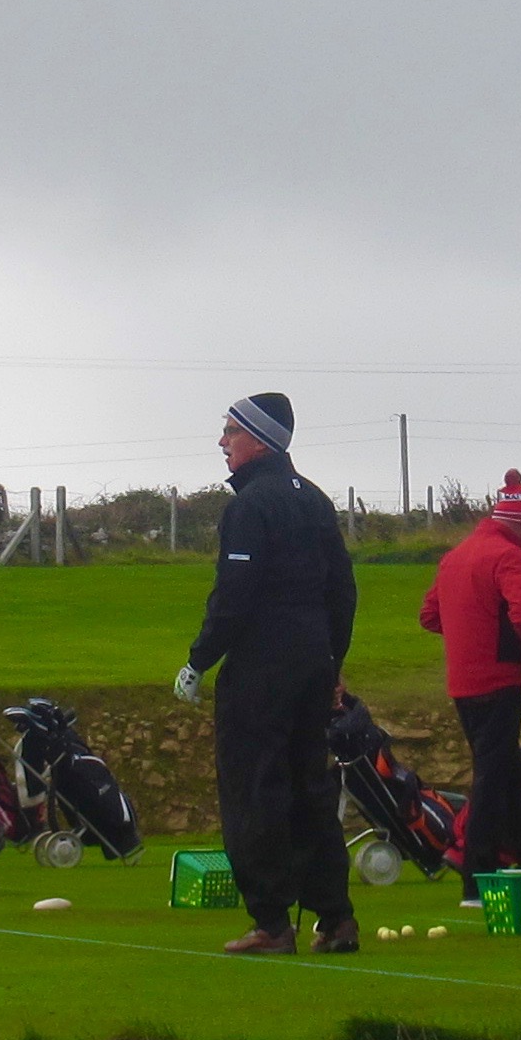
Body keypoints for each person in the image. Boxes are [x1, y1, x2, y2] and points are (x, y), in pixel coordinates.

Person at [175, 392, 360, 954]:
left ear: (259, 440)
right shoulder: (317, 500)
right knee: (311, 789)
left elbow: (235, 594)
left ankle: (273, 924)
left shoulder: (252, 505)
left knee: (254, 792)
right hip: (312, 662)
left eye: (231, 431)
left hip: (261, 668)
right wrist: (333, 663)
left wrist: (199, 660)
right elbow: (343, 592)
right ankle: (335, 918)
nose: (223, 442)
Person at [418, 470, 521, 905]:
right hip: (499, 679)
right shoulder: (509, 557)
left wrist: (468, 633)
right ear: (520, 522)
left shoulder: (455, 556)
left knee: (508, 770)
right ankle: (476, 878)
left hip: (463, 681)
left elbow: (429, 616)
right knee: (493, 777)